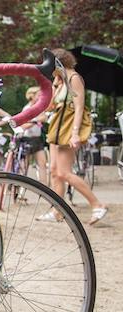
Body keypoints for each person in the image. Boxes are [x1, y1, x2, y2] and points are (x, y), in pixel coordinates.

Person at [39, 48, 107, 224]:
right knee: (54, 172)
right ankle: (57, 212)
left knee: (65, 172)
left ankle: (97, 204)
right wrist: (55, 85)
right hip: (57, 130)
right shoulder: (61, 82)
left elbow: (79, 107)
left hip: (67, 130)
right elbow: (50, 106)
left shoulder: (74, 78)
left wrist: (75, 133)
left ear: (58, 63)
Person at [17, 86, 49, 185]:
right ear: (32, 96)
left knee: (42, 163)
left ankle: (44, 185)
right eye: (38, 95)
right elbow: (24, 125)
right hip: (27, 139)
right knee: (25, 165)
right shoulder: (27, 108)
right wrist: (34, 121)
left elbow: (44, 117)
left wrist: (34, 120)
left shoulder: (39, 108)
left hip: (37, 139)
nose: (40, 97)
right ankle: (21, 187)